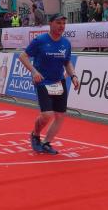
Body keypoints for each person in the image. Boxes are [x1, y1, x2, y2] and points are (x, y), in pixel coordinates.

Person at [18, 13, 79, 155]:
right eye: (58, 23)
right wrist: (34, 71)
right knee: (46, 115)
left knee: (60, 116)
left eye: (63, 23)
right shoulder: (40, 40)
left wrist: (73, 76)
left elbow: (67, 62)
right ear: (50, 24)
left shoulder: (66, 43)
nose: (61, 26)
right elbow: (23, 56)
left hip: (58, 82)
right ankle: (35, 134)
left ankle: (46, 143)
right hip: (43, 82)